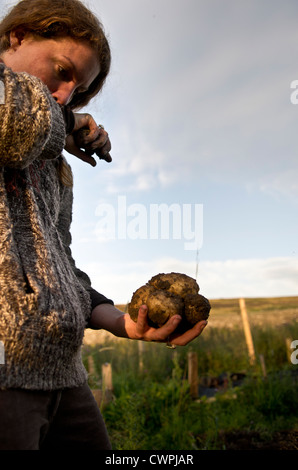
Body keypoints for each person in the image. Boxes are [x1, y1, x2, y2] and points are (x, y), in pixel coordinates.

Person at [0, 0, 207, 450]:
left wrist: (123, 322)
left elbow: (64, 269)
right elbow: (14, 123)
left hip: (64, 376)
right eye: (62, 69)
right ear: (18, 36)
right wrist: (71, 124)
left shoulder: (56, 165)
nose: (65, 94)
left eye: (80, 92)